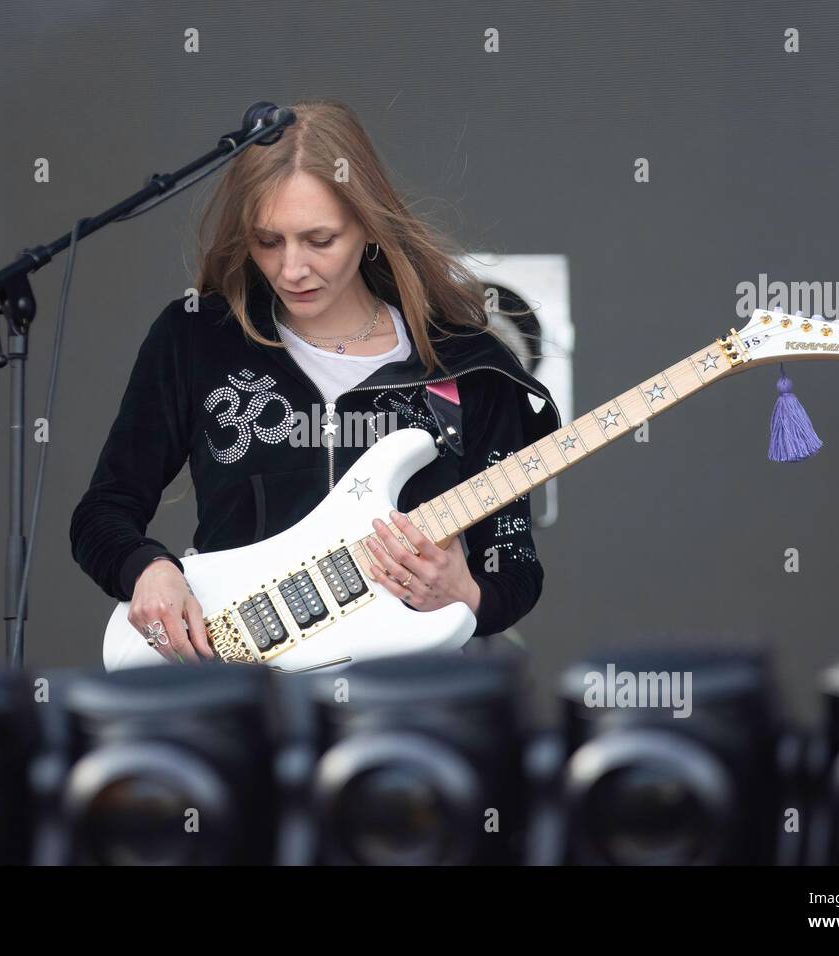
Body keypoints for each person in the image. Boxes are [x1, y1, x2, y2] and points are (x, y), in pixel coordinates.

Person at [69, 99, 561, 665]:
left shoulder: (467, 364)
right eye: (268, 241)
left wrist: (463, 592)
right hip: (246, 699)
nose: (291, 269)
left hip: (399, 704)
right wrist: (148, 570)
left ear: (369, 227)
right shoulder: (197, 337)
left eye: (319, 240)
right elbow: (103, 512)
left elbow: (514, 564)